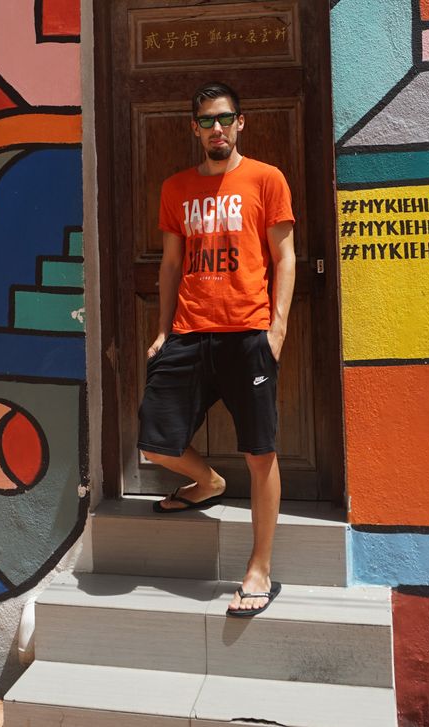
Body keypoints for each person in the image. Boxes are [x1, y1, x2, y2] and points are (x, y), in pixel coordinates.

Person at [137, 81, 295, 617]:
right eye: (206, 121)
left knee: (260, 451)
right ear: (194, 129)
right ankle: (206, 482)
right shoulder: (176, 187)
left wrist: (277, 331)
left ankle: (259, 569)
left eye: (224, 119)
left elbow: (285, 256)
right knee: (155, 440)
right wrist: (163, 330)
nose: (216, 129)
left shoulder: (265, 179)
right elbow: (169, 265)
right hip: (189, 331)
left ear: (240, 122)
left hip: (248, 333)